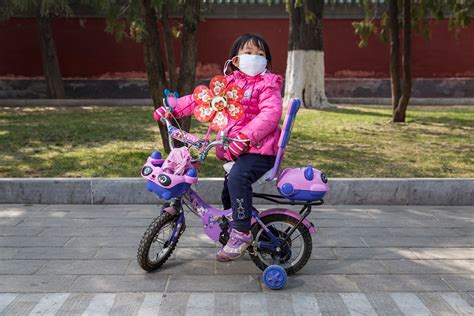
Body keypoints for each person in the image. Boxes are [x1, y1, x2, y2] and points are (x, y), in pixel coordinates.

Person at [154, 33, 283, 262]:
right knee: (229, 195)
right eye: (249, 52)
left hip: (260, 150)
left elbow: (270, 114)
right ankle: (244, 226)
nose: (255, 58)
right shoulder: (228, 84)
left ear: (267, 61)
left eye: (260, 54)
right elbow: (200, 100)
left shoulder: (268, 84)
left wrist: (245, 136)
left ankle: (242, 233)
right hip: (237, 149)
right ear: (235, 60)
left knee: (236, 179)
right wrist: (173, 109)